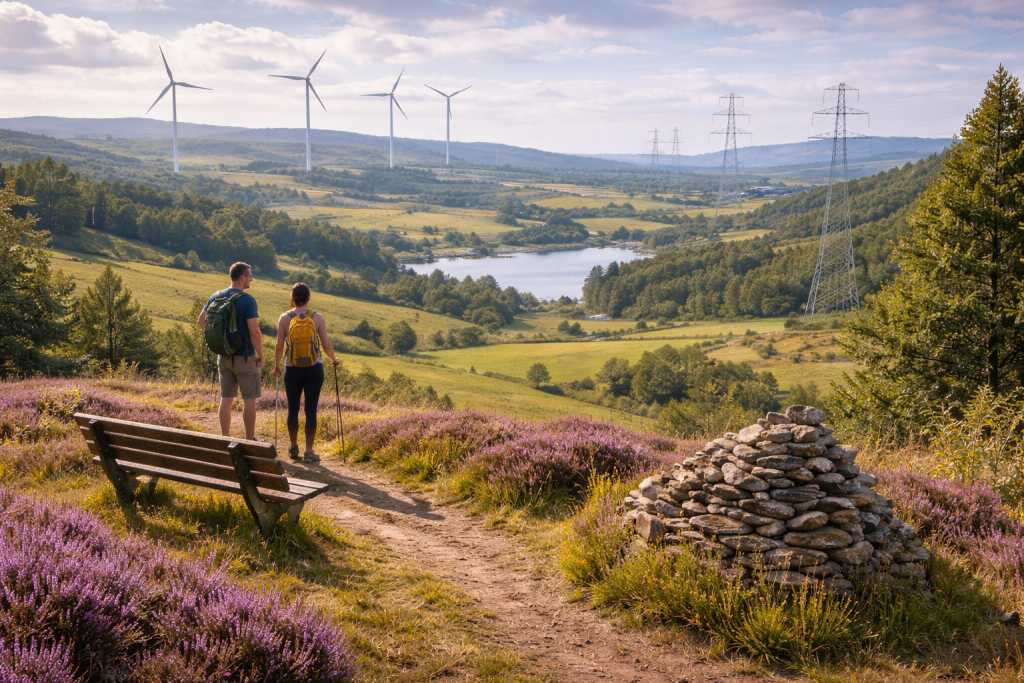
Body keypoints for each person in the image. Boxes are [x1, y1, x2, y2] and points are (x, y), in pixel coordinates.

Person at [197, 262, 264, 440]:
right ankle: (249, 440)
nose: (251, 279)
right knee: (249, 400)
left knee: (226, 399)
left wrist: (218, 340)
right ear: (242, 277)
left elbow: (201, 321)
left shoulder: (216, 296)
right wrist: (261, 355)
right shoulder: (248, 300)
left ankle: (224, 438)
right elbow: (254, 332)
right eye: (250, 276)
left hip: (223, 356)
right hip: (245, 357)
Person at [274, 282, 339, 463]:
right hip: (314, 368)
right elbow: (326, 344)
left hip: (292, 368)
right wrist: (334, 359)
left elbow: (280, 346)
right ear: (308, 297)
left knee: (293, 408)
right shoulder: (317, 317)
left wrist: (277, 365)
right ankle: (309, 451)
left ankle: (293, 448)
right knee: (311, 410)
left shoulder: (285, 318)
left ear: (292, 298)